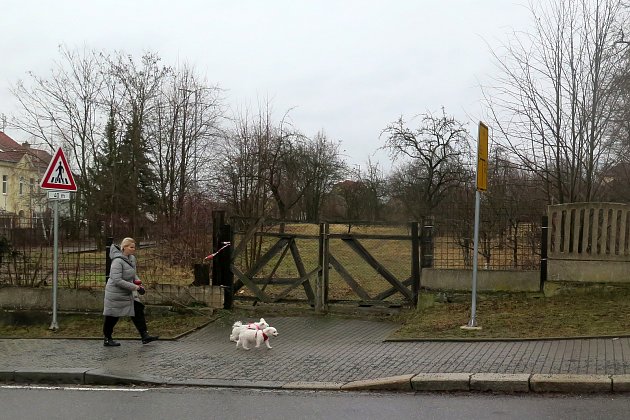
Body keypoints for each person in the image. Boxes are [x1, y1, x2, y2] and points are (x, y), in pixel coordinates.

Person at [102, 237, 158, 347]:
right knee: (112, 317)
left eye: (134, 247)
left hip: (127, 292)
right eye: (131, 247)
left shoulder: (131, 258)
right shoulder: (117, 261)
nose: (133, 249)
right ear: (124, 247)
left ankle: (144, 335)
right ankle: (107, 338)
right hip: (115, 293)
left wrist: (139, 283)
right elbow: (117, 280)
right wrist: (135, 288)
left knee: (138, 310)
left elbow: (133, 274)